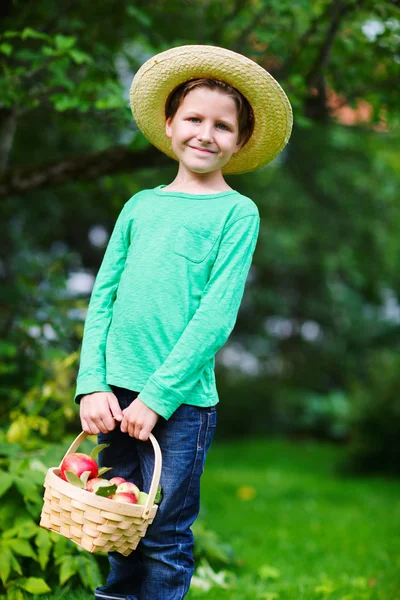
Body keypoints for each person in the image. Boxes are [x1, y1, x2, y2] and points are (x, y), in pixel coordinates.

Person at [75, 45, 293, 600]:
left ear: (240, 142)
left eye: (223, 126)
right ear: (170, 125)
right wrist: (92, 383)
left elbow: (216, 317)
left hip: (180, 403)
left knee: (163, 532)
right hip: (116, 393)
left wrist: (158, 397)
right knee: (116, 526)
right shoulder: (140, 205)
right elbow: (103, 297)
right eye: (194, 118)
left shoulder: (236, 212)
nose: (206, 133)